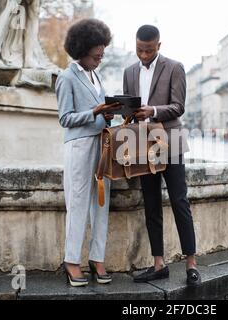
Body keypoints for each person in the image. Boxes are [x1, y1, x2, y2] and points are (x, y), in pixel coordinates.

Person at [123, 25, 201, 286]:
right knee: (152, 203)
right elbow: (130, 109)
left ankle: (191, 264)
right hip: (142, 143)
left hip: (171, 140)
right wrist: (122, 111)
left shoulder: (174, 67)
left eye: (148, 50)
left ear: (159, 45)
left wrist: (153, 111)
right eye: (139, 50)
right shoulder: (129, 71)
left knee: (180, 201)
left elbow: (178, 106)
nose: (143, 55)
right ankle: (159, 264)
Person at [55, 19, 120, 287]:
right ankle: (72, 260)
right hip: (79, 146)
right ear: (81, 50)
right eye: (96, 56)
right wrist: (94, 112)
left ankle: (97, 257)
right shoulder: (66, 77)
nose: (99, 60)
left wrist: (109, 114)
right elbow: (65, 118)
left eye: (102, 55)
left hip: (101, 144)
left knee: (101, 204)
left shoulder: (96, 76)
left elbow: (98, 110)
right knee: (79, 202)